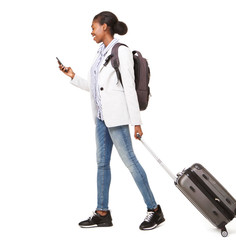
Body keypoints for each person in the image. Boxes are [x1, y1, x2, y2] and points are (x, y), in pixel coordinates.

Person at [58, 11, 164, 230]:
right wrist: (73, 77)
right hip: (100, 118)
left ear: (104, 27)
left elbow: (129, 90)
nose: (91, 32)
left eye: (93, 27)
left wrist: (137, 122)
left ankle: (154, 210)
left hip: (116, 119)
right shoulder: (100, 52)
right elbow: (99, 88)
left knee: (131, 163)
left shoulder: (121, 51)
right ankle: (102, 213)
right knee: (102, 164)